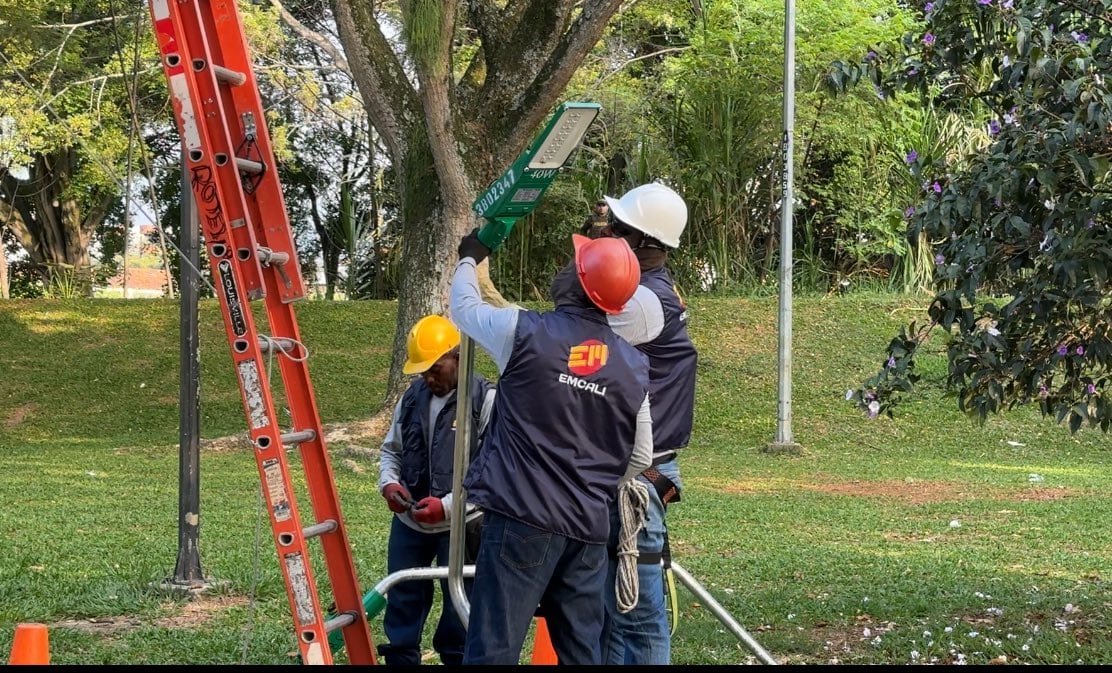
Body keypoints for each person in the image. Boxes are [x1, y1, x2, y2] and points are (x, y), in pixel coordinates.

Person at [449, 229, 653, 665]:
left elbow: (464, 309)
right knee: (582, 654)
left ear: (577, 282)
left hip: (522, 519)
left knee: (494, 649)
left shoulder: (523, 331)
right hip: (587, 531)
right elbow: (641, 457)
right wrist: (587, 478)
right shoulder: (634, 368)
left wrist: (469, 259)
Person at [598, 182, 698, 665]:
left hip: (638, 476)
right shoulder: (647, 292)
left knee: (635, 614)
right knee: (614, 613)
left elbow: (565, 331)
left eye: (617, 228)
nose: (607, 234)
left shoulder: (641, 304)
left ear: (643, 242)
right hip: (634, 470)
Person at [376, 314, 497, 666]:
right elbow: (391, 451)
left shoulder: (486, 400)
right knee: (403, 596)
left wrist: (447, 507)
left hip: (462, 525)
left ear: (458, 357)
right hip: (410, 524)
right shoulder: (411, 399)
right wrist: (390, 483)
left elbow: (493, 472)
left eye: (436, 368)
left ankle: (456, 658)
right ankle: (400, 658)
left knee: (461, 603)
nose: (428, 378)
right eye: (422, 371)